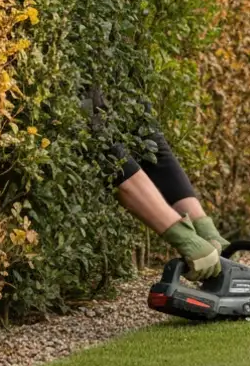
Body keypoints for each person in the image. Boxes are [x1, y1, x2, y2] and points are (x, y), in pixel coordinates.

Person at [82, 87, 227, 280]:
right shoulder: (80, 81)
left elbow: (149, 143)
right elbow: (105, 151)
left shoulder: (123, 69)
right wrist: (185, 238)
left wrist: (203, 227)